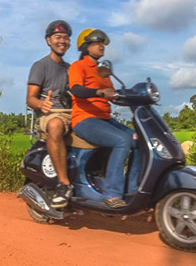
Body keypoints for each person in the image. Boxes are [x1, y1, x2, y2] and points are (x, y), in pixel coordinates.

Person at [68, 28, 140, 209]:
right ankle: (112, 193)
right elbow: (76, 89)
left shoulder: (103, 72)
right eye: (97, 42)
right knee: (122, 140)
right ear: (86, 46)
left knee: (138, 140)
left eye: (103, 43)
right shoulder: (78, 67)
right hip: (85, 119)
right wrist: (99, 92)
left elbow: (112, 94)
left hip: (104, 119)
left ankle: (131, 190)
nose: (101, 46)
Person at [26, 20, 74, 208]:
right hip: (51, 114)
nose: (62, 41)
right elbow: (30, 99)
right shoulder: (40, 66)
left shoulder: (71, 69)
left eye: (66, 38)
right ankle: (64, 184)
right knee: (55, 126)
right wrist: (41, 104)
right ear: (48, 41)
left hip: (71, 113)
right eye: (58, 37)